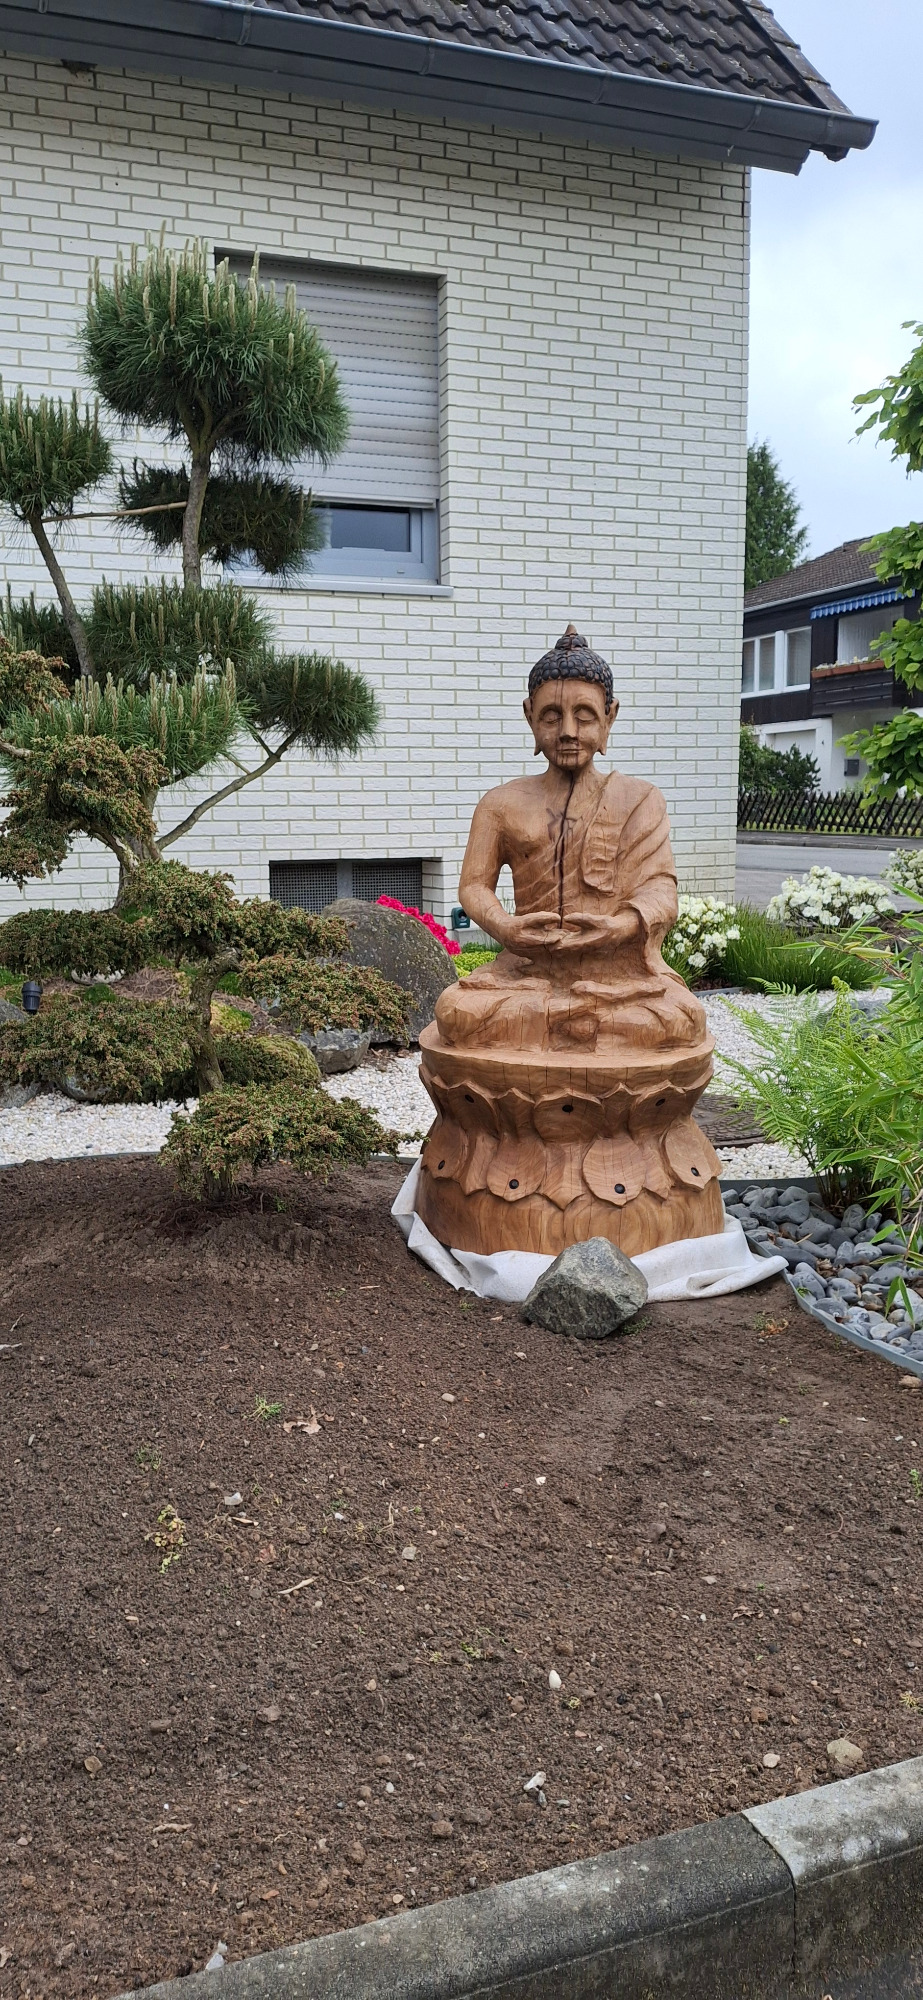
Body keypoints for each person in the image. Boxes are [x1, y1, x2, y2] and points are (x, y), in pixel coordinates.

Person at [435, 625, 706, 1054]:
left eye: (584, 715)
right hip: (527, 968)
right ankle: (578, 1022)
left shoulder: (639, 799)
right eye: (551, 716)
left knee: (683, 1019)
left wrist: (619, 927)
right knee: (456, 1013)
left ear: (609, 717)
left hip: (615, 973)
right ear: (529, 716)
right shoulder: (500, 804)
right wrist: (506, 928)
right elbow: (473, 886)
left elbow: (661, 891)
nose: (567, 730)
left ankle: (560, 1020)